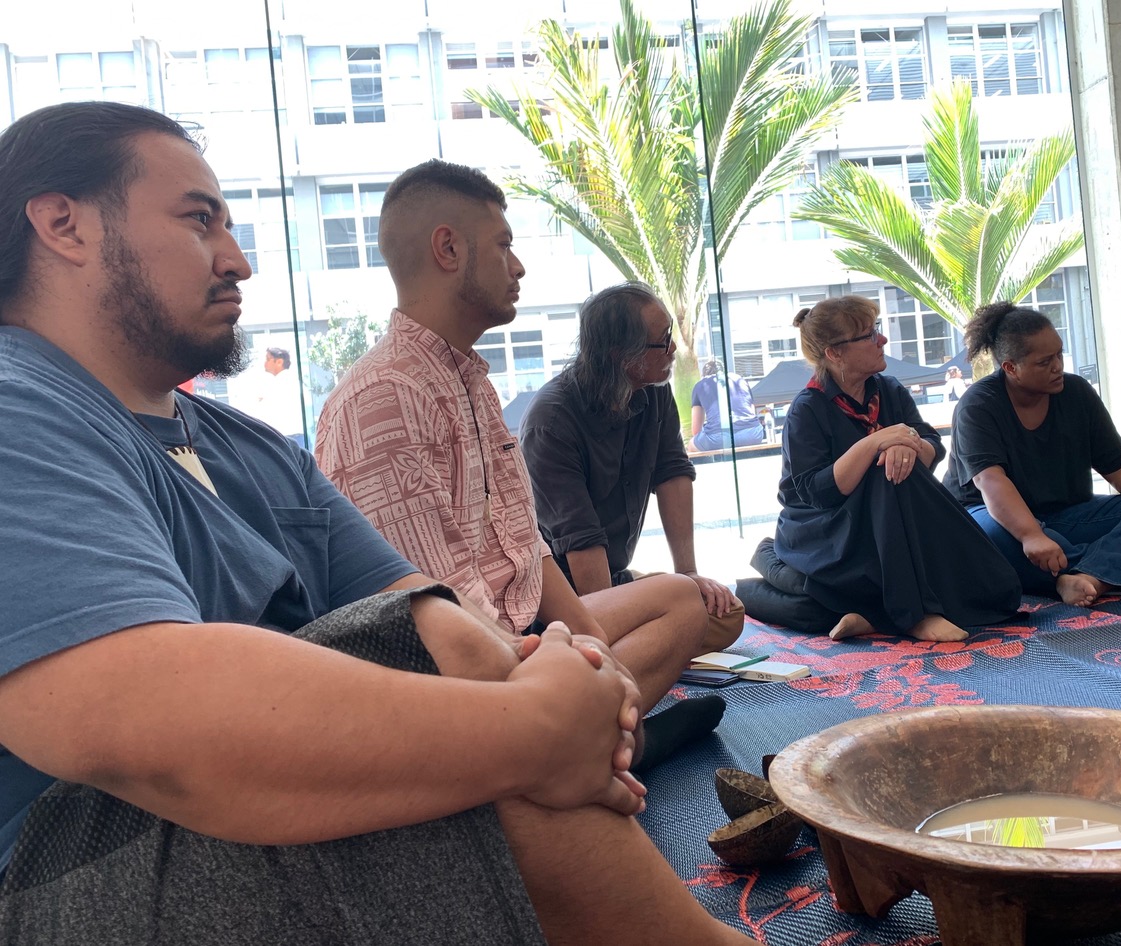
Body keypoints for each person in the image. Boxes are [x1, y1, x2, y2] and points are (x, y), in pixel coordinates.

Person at [0, 101, 756, 946]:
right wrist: (537, 726)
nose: (238, 259)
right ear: (64, 224)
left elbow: (430, 604)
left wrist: (560, 679)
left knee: (478, 661)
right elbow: (135, 714)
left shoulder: (247, 444)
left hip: (278, 793)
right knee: (477, 717)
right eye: (199, 220)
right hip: (67, 870)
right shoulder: (20, 406)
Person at [314, 159, 724, 770]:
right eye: (504, 244)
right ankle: (612, 741)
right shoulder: (383, 398)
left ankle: (593, 738)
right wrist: (557, 661)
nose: (519, 264)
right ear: (448, 249)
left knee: (685, 603)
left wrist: (589, 642)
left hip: (522, 632)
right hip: (462, 673)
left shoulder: (469, 380)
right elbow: (437, 618)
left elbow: (524, 544)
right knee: (559, 683)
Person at [753, 294, 1021, 643]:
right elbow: (818, 492)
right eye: (868, 335)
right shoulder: (808, 408)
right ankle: (915, 615)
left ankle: (874, 616)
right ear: (835, 353)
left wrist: (905, 445)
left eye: (876, 330)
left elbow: (931, 447)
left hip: (887, 520)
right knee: (883, 472)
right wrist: (874, 443)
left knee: (897, 472)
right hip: (824, 529)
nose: (882, 340)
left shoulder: (889, 390)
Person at [519, 283, 745, 650]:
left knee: (724, 612)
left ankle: (626, 654)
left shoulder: (653, 388)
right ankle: (596, 664)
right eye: (663, 340)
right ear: (621, 355)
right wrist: (615, 620)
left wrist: (688, 573)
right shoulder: (552, 422)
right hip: (559, 601)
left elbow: (672, 472)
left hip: (615, 579)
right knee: (624, 633)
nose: (673, 348)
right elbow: (581, 541)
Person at [944, 301, 1121, 607]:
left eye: (1059, 354)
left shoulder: (1077, 393)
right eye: (1044, 362)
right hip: (991, 516)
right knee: (996, 540)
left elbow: (1119, 466)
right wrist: (1030, 535)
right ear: (1011, 368)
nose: (1058, 366)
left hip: (1065, 516)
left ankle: (1090, 578)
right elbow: (990, 482)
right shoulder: (978, 404)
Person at [689, 358, 765, 452]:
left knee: (691, 444)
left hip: (719, 440)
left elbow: (696, 431)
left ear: (704, 375)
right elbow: (752, 413)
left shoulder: (700, 385)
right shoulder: (740, 379)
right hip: (753, 434)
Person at [246, 344, 305, 446]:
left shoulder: (284, 382)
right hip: (289, 437)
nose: (265, 363)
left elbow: (269, 410)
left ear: (279, 362)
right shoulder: (285, 380)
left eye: (268, 359)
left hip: (288, 436)